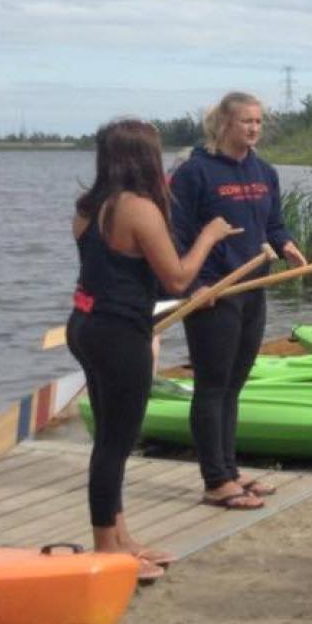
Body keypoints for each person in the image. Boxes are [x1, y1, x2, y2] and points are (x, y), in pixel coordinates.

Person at [67, 118, 239, 582]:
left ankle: (121, 536)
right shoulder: (139, 209)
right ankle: (107, 546)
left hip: (85, 324)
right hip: (119, 335)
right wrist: (209, 236)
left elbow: (111, 271)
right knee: (114, 444)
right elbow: (178, 280)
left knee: (110, 438)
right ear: (143, 157)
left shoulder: (89, 206)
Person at [170, 91, 307, 510]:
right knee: (212, 387)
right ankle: (214, 480)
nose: (254, 129)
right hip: (213, 292)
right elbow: (174, 234)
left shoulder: (264, 171)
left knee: (235, 385)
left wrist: (287, 246)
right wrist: (190, 288)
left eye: (259, 122)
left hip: (251, 290)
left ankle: (229, 469)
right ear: (225, 124)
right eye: (246, 121)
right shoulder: (194, 172)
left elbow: (273, 224)